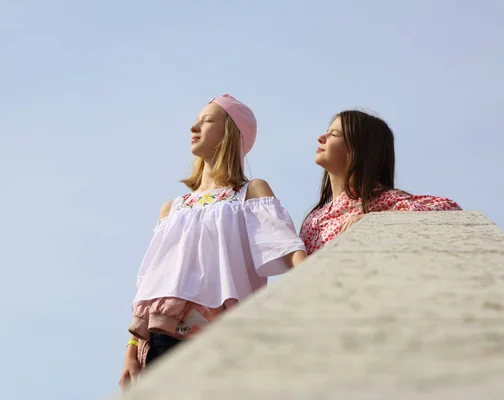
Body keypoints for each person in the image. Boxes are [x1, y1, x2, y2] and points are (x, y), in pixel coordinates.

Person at [119, 94, 307, 388]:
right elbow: (149, 285)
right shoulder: (173, 208)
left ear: (230, 133)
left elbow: (285, 244)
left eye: (207, 121)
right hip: (162, 336)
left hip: (222, 333)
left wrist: (317, 279)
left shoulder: (249, 193)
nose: (194, 128)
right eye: (195, 122)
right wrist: (131, 351)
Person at [300, 110, 461, 255]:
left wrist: (377, 219)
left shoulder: (377, 199)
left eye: (334, 134)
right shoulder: (313, 219)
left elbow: (450, 210)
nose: (321, 138)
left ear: (358, 149)